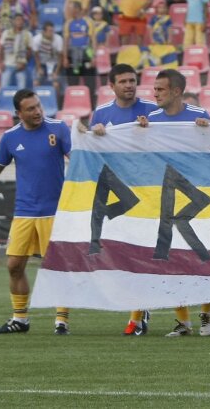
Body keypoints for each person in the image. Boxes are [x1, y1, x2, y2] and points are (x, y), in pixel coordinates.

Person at [0, 90, 72, 334]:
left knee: (57, 267)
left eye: (38, 106)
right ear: (18, 113)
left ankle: (61, 321)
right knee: (14, 265)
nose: (37, 111)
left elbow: (79, 159)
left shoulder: (59, 128)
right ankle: (20, 319)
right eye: (30, 109)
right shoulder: (9, 138)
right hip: (25, 212)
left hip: (55, 212)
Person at [134, 69, 210, 336]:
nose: (154, 93)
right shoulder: (151, 120)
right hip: (165, 197)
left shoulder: (200, 116)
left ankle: (206, 315)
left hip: (197, 198)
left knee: (202, 260)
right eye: (154, 88)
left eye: (160, 89)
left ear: (177, 91)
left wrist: (208, 134)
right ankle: (183, 322)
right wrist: (139, 134)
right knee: (171, 261)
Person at [81, 63, 158, 334]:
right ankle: (141, 308)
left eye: (132, 80)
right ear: (112, 85)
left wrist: (151, 133)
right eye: (123, 81)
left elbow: (168, 146)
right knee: (125, 255)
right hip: (118, 191)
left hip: (149, 191)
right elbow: (93, 151)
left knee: (145, 254)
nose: (129, 85)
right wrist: (96, 136)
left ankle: (138, 314)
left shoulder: (151, 110)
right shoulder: (102, 114)